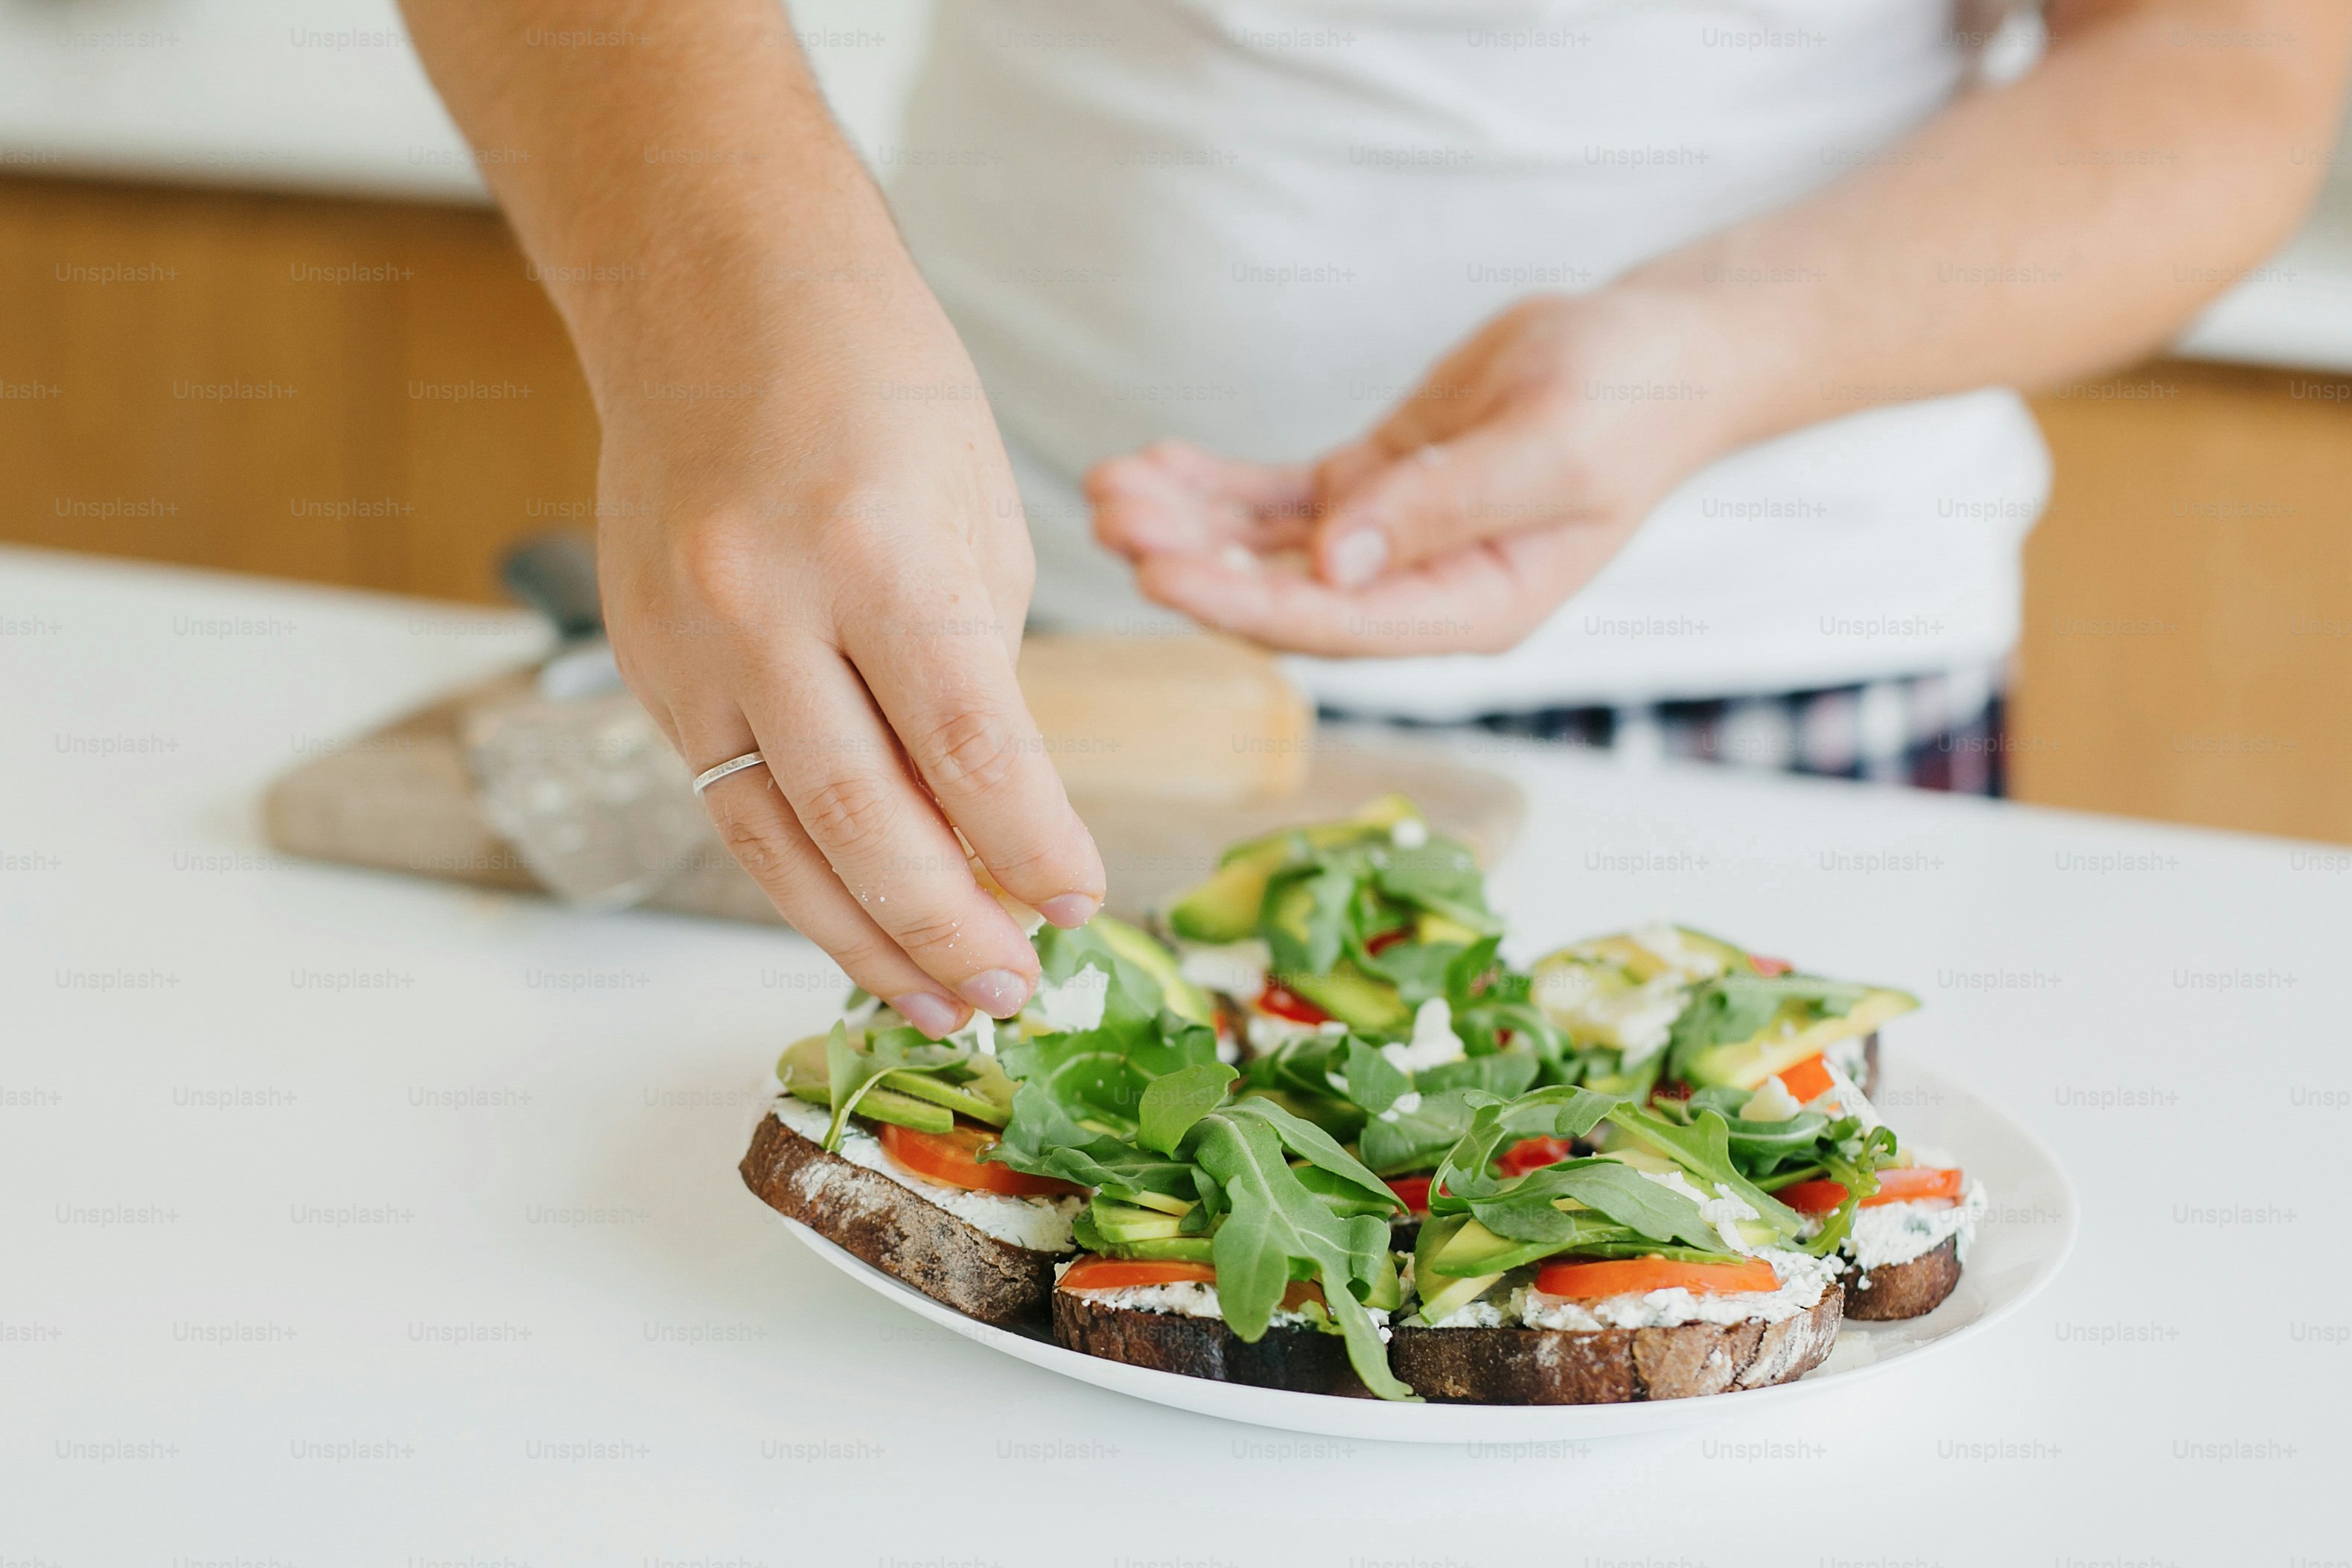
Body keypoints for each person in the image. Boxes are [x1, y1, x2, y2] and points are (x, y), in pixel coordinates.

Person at [399, 0, 2351, 1036]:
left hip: (1788, 687)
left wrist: (1704, 354)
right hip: (998, 645)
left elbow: (2229, 55)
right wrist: (714, 311)